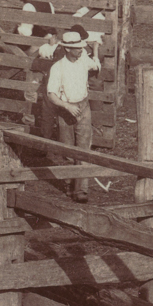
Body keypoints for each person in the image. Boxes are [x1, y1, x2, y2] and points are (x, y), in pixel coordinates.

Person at [34, 27, 97, 202]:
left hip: (83, 107)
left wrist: (97, 51)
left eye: (82, 47)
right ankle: (71, 185)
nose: (81, 50)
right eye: (77, 48)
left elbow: (95, 65)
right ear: (67, 49)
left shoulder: (83, 60)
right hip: (65, 110)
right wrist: (67, 106)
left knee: (84, 149)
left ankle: (81, 190)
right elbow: (51, 95)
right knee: (68, 151)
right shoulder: (58, 68)